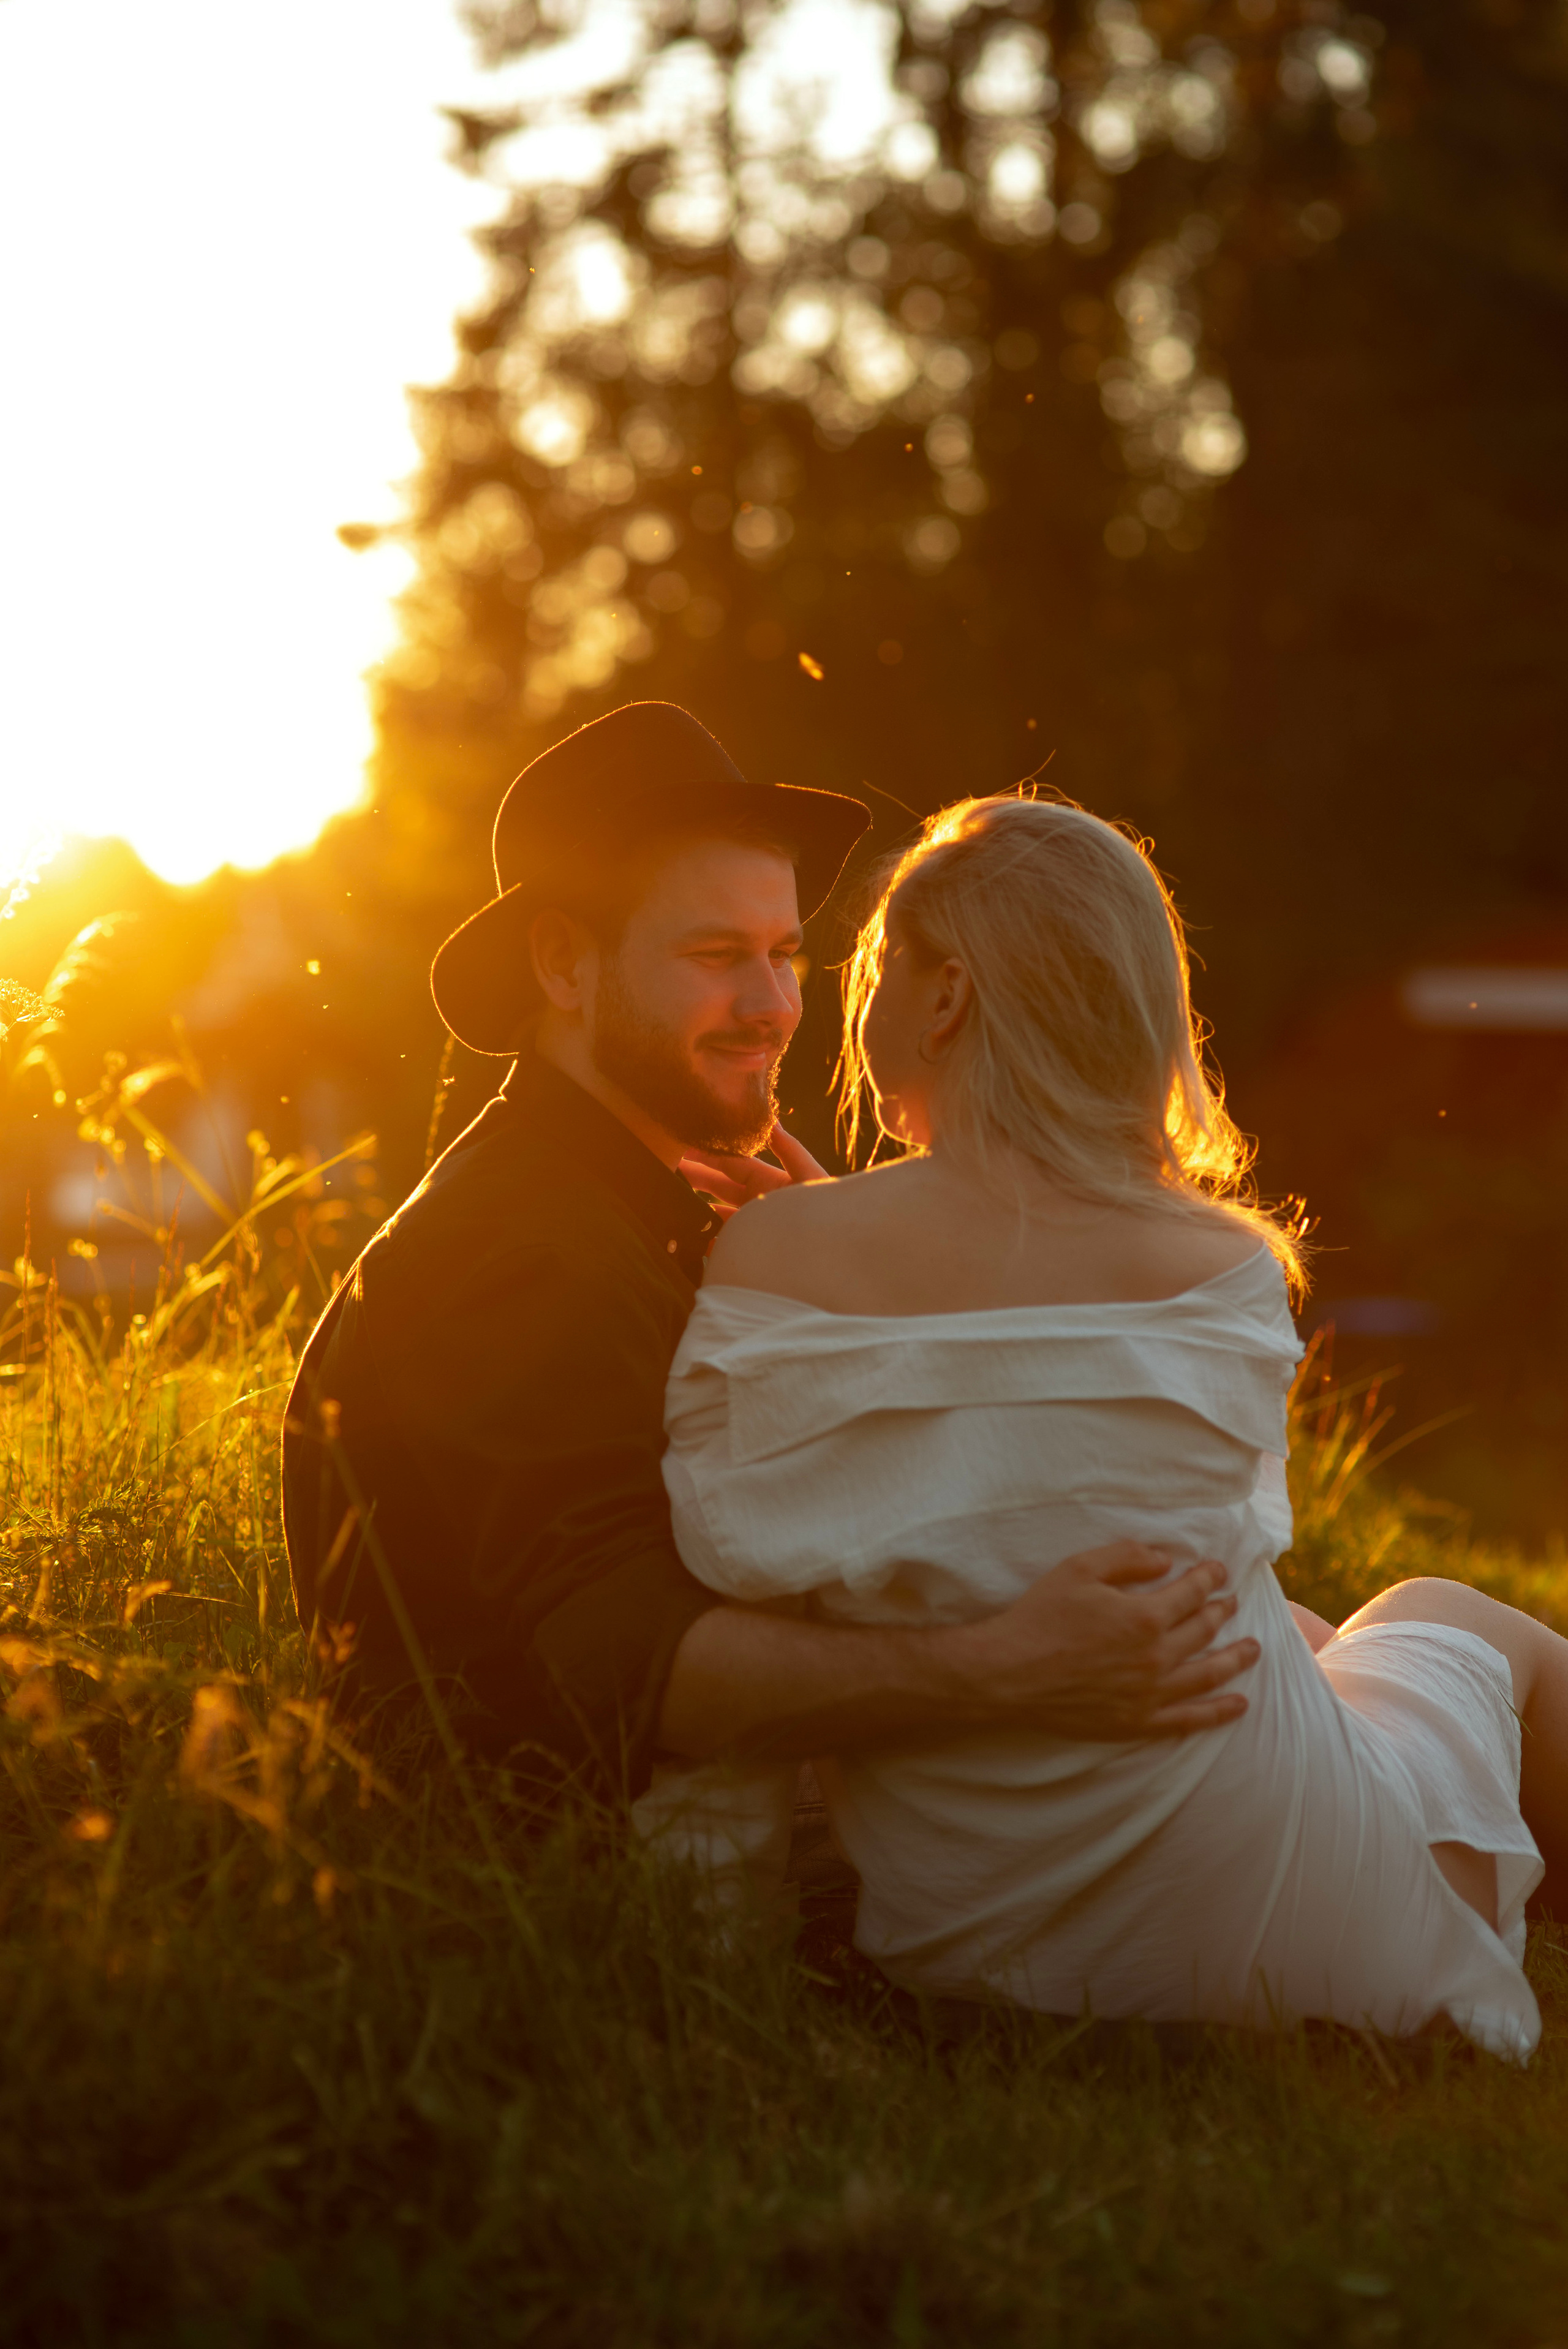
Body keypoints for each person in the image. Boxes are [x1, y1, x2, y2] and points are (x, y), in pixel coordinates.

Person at [644, 790, 1568, 2059]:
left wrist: (821, 1234)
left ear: (947, 997)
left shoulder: (770, 1256)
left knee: (1317, 1635)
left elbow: (928, 1479)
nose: (843, 1002)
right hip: (1282, 1898)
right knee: (1452, 1619)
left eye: (876, 961)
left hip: (973, 1933)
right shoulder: (1221, 1266)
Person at [282, 703, 1256, 1799]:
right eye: (715, 956)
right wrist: (1006, 1671)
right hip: (561, 1854)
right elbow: (625, 1663)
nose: (775, 1007)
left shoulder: (647, 1204)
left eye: (786, 954)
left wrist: (855, 1278)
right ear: (563, 963)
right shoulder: (512, 1244)